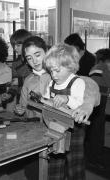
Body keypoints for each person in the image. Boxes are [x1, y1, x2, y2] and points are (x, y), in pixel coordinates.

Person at [14, 36, 100, 123]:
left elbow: (89, 84)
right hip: (34, 127)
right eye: (29, 58)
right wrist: (21, 110)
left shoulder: (60, 73)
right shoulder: (28, 80)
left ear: (47, 52)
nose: (34, 61)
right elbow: (24, 105)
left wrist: (87, 105)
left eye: (37, 55)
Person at [43, 43, 87, 180]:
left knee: (75, 162)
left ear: (70, 66)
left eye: (57, 70)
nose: (53, 75)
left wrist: (67, 99)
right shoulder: (52, 83)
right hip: (56, 125)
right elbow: (46, 100)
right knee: (55, 159)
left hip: (74, 129)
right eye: (51, 71)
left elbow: (80, 103)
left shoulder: (77, 82)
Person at [85, 48, 110, 168]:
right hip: (100, 100)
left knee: (96, 129)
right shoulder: (102, 67)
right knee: (97, 131)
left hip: (95, 99)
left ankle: (94, 157)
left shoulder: (96, 67)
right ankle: (95, 158)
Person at [2, 29, 32, 104]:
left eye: (18, 45)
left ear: (27, 44)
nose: (15, 48)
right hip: (21, 99)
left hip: (33, 99)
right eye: (13, 45)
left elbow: (39, 79)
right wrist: (10, 94)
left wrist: (20, 81)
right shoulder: (15, 64)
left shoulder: (34, 62)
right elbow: (15, 84)